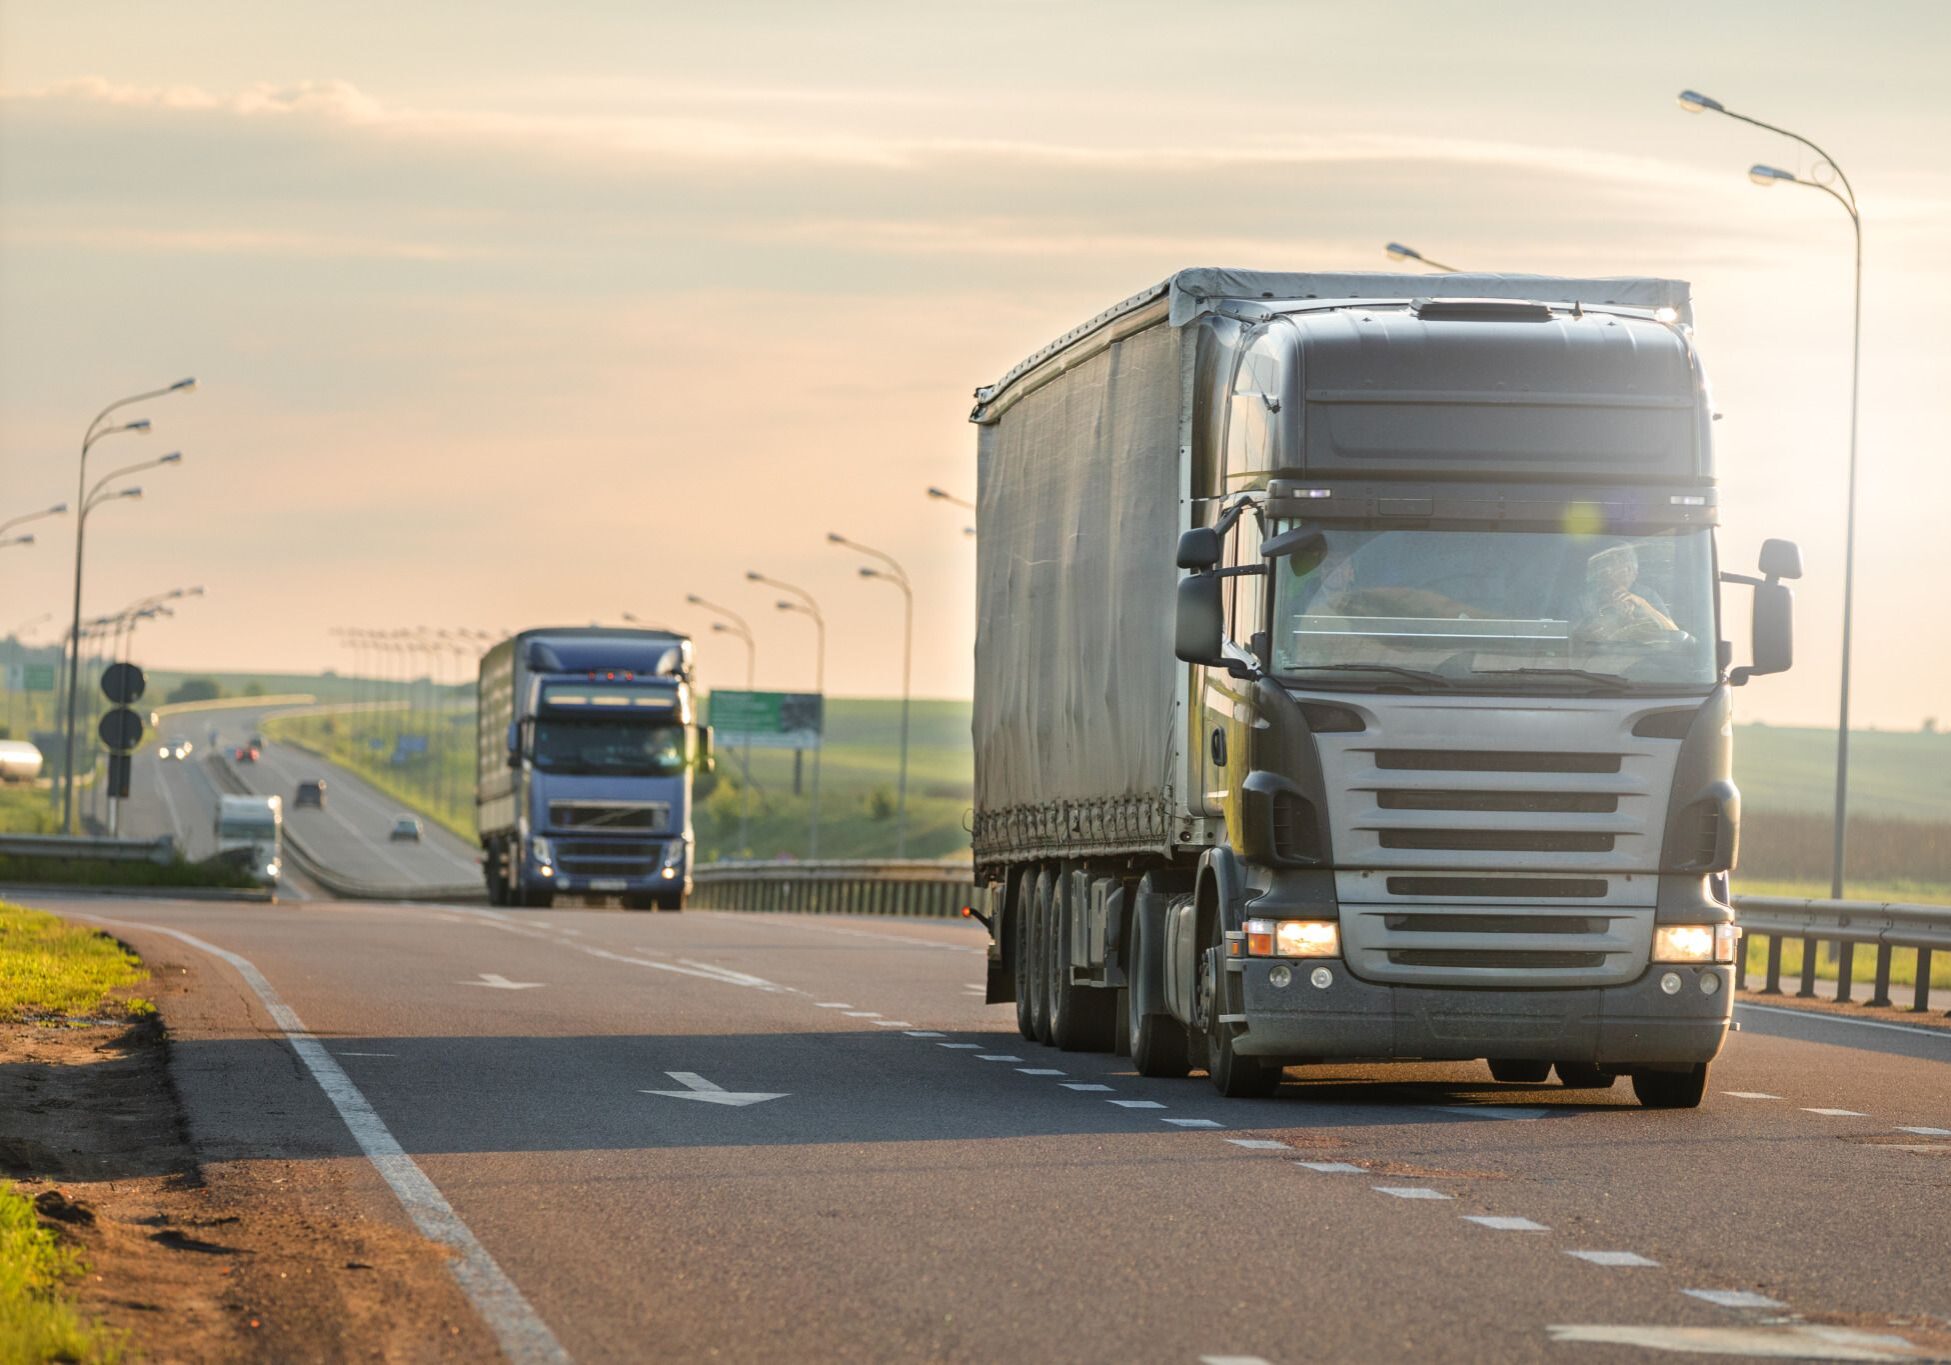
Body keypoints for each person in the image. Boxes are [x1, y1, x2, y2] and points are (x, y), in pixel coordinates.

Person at [1573, 544, 1678, 646]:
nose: (1610, 574)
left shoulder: (1647, 595)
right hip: (1598, 658)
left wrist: (1644, 606)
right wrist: (1601, 623)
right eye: (1608, 568)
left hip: (1644, 658)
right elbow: (1571, 640)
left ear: (1634, 572)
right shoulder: (1586, 600)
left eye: (1628, 568)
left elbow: (1674, 634)